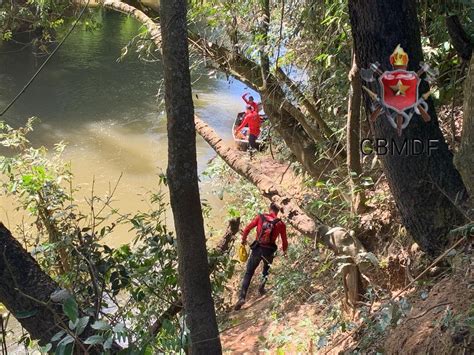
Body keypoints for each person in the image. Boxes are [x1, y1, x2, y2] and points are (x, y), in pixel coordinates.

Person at [234, 202, 287, 310]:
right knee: (266, 270)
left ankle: (242, 298)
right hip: (269, 251)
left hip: (257, 249)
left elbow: (247, 229)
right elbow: (284, 241)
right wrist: (284, 251)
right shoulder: (281, 224)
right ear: (278, 211)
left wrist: (243, 240)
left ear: (269, 208)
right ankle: (261, 288)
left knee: (249, 272)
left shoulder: (260, 217)